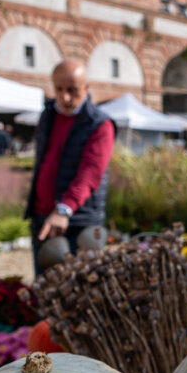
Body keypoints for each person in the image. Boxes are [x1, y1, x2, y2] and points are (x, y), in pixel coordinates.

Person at [25, 59, 116, 274]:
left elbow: (90, 173)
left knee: (80, 291)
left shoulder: (100, 123)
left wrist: (64, 208)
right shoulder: (48, 115)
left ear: (86, 88)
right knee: (45, 288)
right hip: (44, 218)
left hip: (80, 222)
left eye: (73, 90)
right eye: (59, 89)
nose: (65, 98)